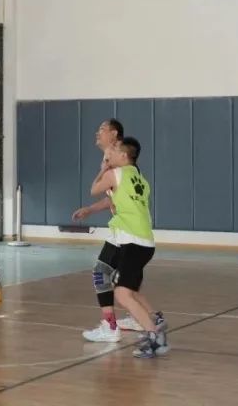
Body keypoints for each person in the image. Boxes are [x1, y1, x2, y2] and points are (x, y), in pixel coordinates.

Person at [72, 137, 168, 358]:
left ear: (124, 155)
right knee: (124, 289)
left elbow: (94, 189)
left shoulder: (114, 173)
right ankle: (153, 324)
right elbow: (117, 200)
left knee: (122, 294)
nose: (110, 153)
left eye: (114, 149)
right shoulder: (140, 178)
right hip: (143, 241)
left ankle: (154, 335)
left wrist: (103, 169)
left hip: (132, 241)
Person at [89, 119, 162, 333]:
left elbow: (101, 189)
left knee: (111, 280)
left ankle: (113, 326)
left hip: (127, 232)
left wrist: (103, 171)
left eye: (102, 129)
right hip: (132, 232)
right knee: (122, 283)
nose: (97, 133)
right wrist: (90, 209)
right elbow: (114, 197)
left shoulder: (117, 165)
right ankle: (149, 319)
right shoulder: (121, 164)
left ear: (114, 135)